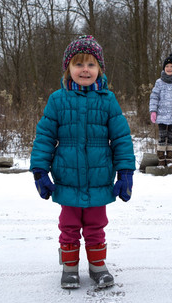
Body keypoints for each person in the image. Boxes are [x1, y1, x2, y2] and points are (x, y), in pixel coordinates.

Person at [30, 35, 136, 289]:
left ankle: (98, 266)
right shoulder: (57, 100)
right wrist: (39, 170)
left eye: (91, 64)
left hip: (99, 178)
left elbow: (121, 137)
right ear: (68, 68)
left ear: (99, 69)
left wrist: (125, 172)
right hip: (66, 177)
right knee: (68, 226)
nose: (85, 70)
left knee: (96, 226)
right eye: (78, 64)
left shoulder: (107, 100)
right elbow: (44, 136)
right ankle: (69, 268)